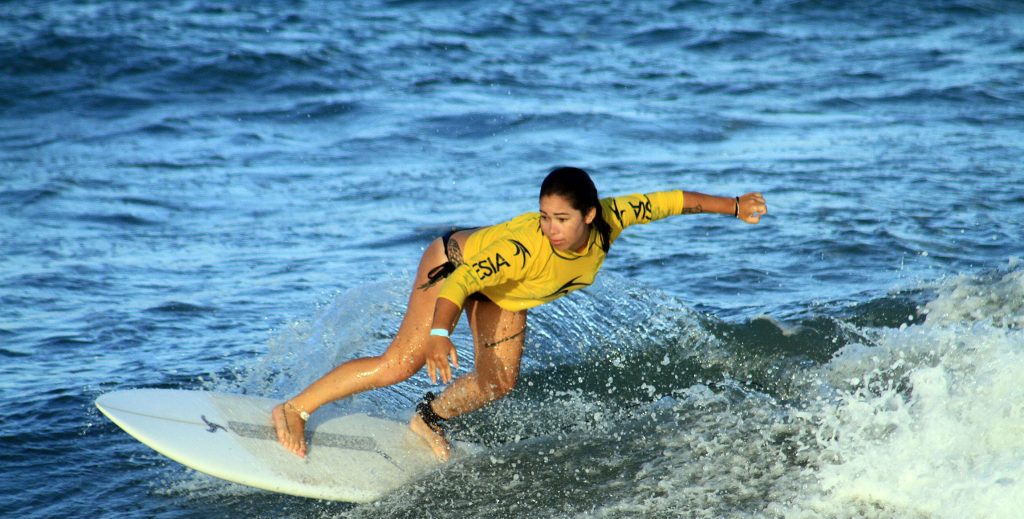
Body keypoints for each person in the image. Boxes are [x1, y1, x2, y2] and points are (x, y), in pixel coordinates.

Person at [272, 167, 767, 460]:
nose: (550, 227)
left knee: (496, 384)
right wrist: (441, 332)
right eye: (545, 216)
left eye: (561, 219)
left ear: (590, 215)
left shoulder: (614, 217)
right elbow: (462, 280)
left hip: (504, 294)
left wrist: (735, 205)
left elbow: (675, 201)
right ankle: (293, 408)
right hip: (455, 264)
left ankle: (426, 416)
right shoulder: (526, 248)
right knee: (402, 363)